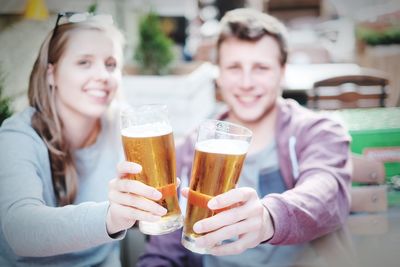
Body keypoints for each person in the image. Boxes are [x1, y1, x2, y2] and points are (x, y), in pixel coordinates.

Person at [138, 8, 354, 267]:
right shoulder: (193, 148)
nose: (247, 82)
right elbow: (164, 251)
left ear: (282, 72)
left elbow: (325, 193)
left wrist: (268, 219)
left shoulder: (317, 131)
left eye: (261, 68)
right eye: (234, 67)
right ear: (218, 74)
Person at [0, 12, 167, 266]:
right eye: (84, 62)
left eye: (110, 64)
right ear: (50, 74)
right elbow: (20, 231)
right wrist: (111, 217)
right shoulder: (17, 136)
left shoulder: (122, 126)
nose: (103, 75)